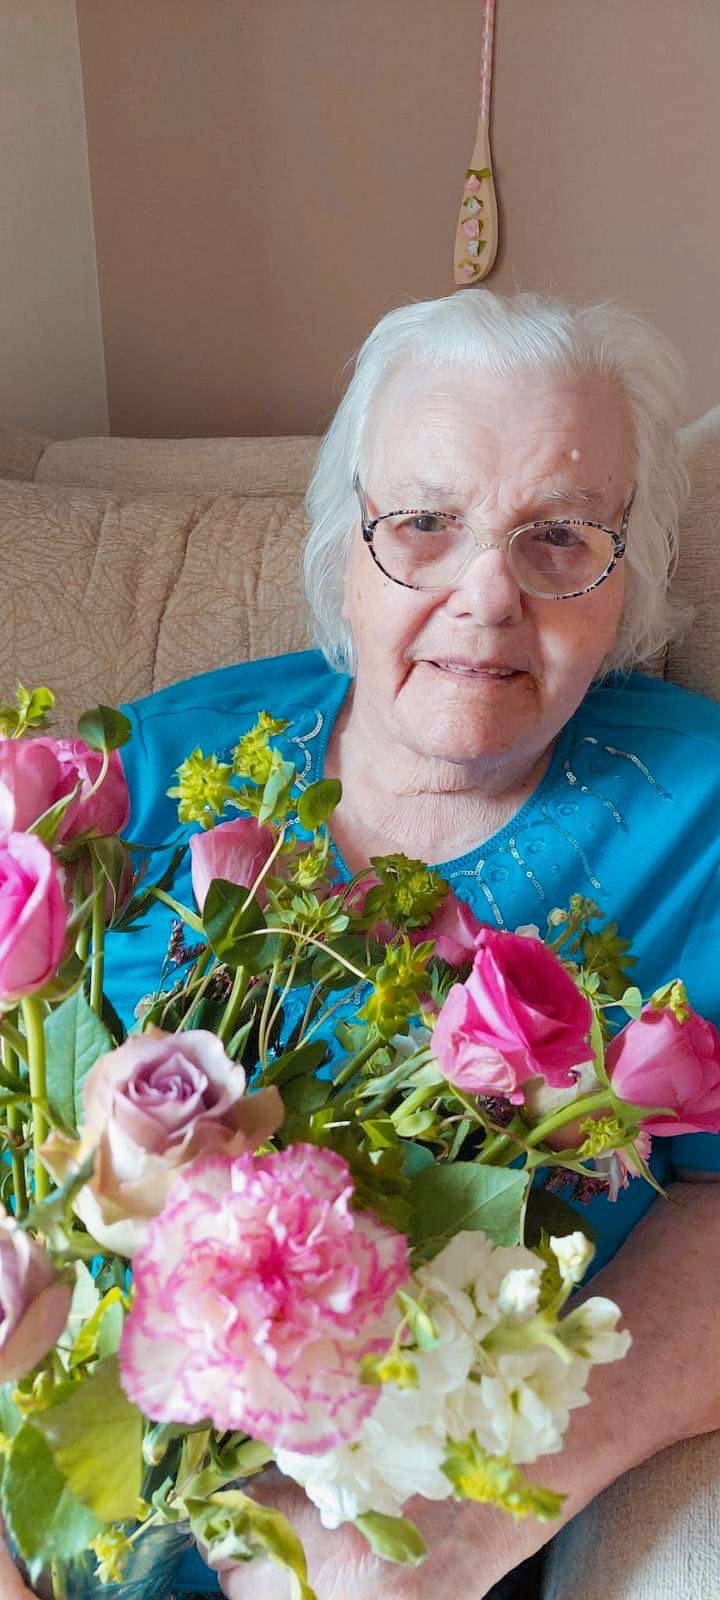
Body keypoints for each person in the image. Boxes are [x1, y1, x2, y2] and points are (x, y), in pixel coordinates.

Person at [8, 290, 720, 1598]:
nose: (486, 597)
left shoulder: (702, 816)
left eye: (560, 538)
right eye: (426, 524)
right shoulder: (129, 780)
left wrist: (469, 1525)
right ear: (346, 544)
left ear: (632, 579)